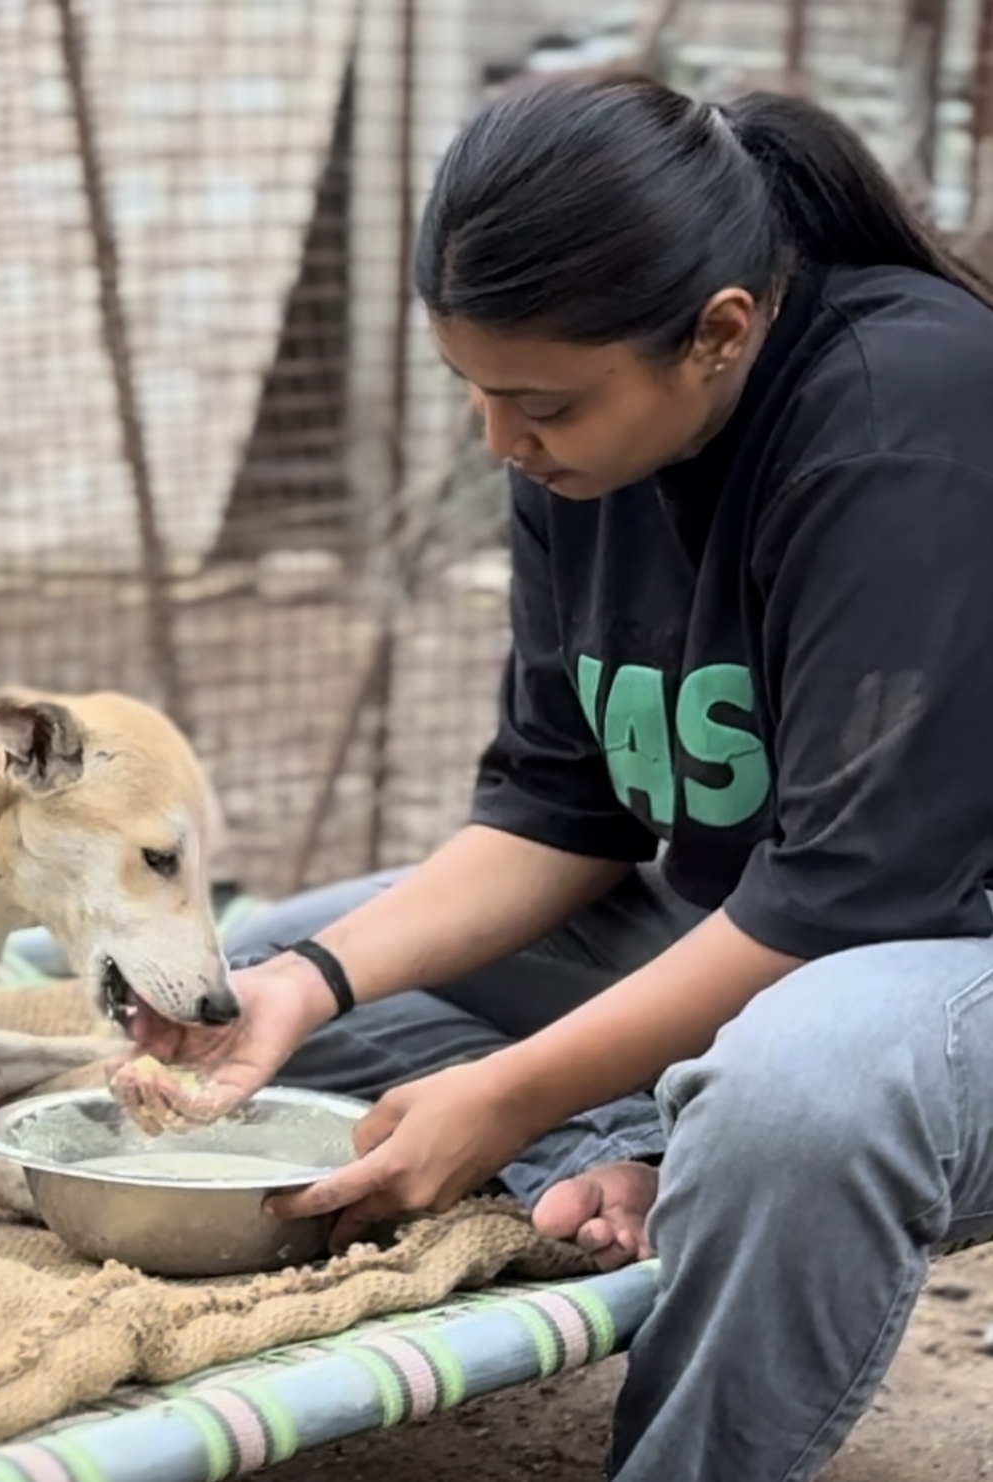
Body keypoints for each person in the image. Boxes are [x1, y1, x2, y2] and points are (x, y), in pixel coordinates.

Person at [112, 75, 993, 1481]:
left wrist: (511, 1092)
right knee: (250, 995)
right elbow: (556, 810)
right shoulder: (577, 448)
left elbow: (848, 897)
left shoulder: (906, 423)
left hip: (930, 957)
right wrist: (305, 985)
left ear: (719, 331)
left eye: (537, 404)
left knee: (797, 1095)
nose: (497, 442)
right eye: (472, 390)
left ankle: (687, 1208)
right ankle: (643, 1158)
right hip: (749, 932)